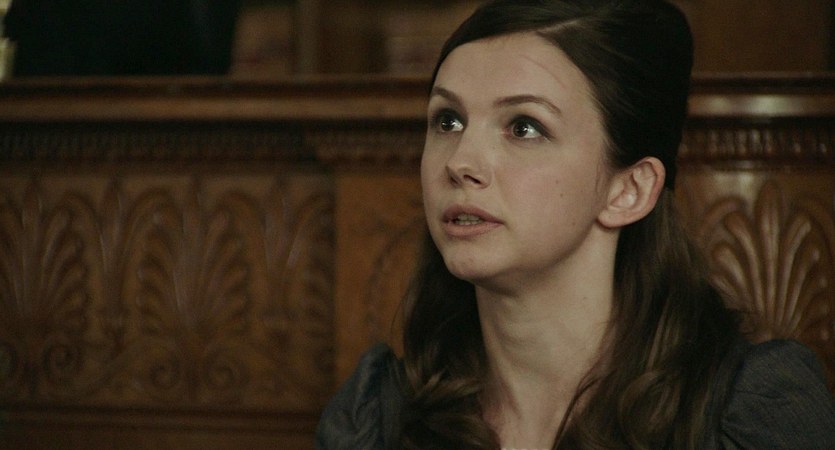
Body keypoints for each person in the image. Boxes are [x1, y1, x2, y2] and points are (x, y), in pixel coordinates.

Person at [316, 0, 835, 448]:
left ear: (629, 190)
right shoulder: (379, 416)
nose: (460, 162)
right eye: (447, 120)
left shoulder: (745, 409)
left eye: (524, 127)